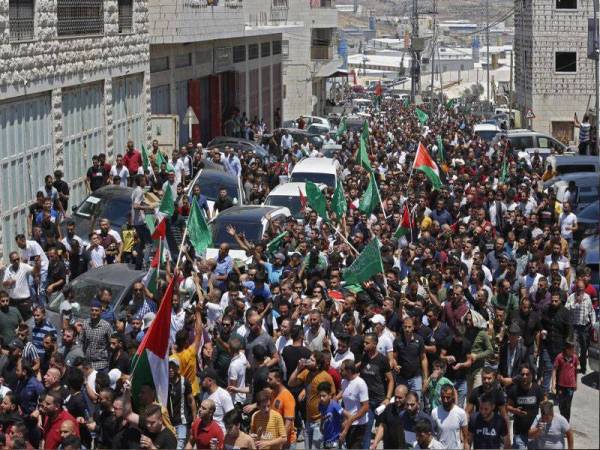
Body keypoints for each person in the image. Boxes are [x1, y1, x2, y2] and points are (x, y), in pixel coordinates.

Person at [288, 351, 335, 449]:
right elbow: (291, 383)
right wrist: (298, 368)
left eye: (312, 360)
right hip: (308, 420)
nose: (308, 361)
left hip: (320, 421)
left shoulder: (325, 377)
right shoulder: (306, 373)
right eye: (309, 358)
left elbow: (333, 398)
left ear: (318, 365)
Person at [506, 364, 545, 449]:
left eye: (527, 374)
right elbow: (507, 406)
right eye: (522, 374)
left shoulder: (537, 389)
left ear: (532, 376)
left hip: (534, 431)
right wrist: (514, 410)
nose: (524, 376)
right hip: (519, 432)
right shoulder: (514, 390)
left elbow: (544, 407)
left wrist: (542, 423)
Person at [338, 360, 369, 449]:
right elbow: (344, 392)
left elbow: (366, 407)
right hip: (347, 423)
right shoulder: (344, 381)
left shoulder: (360, 384)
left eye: (342, 370)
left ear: (349, 371)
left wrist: (351, 419)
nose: (339, 372)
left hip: (359, 425)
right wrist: (335, 399)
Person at [168, 357, 195, 450]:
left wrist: (194, 419)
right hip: (168, 422)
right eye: (168, 367)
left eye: (173, 367)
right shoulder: (164, 383)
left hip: (182, 422)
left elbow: (191, 401)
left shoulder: (184, 382)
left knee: (180, 446)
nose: (170, 369)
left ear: (177, 368)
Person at [431, 384, 469, 450]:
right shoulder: (434, 412)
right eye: (443, 397)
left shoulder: (461, 413)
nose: (445, 400)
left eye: (448, 397)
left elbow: (465, 436)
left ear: (453, 396)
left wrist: (466, 445)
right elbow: (432, 434)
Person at [200, 367, 234, 434]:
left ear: (210, 381)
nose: (201, 382)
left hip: (220, 435)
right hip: (207, 433)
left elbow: (231, 417)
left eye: (203, 380)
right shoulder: (205, 395)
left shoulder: (223, 395)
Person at [551, 339, 578, 422]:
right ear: (567, 349)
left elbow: (575, 371)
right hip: (561, 386)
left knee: (568, 406)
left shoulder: (575, 358)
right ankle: (563, 420)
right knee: (561, 405)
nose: (573, 351)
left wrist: (576, 383)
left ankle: (566, 423)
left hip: (571, 386)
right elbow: (554, 370)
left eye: (574, 349)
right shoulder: (560, 357)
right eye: (572, 349)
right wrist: (553, 384)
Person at [317, 381, 344, 449]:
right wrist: (321, 426)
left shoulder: (335, 405)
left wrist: (343, 432)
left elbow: (348, 417)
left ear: (330, 395)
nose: (321, 398)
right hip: (326, 438)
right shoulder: (321, 404)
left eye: (324, 396)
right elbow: (323, 416)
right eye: (320, 396)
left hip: (335, 439)